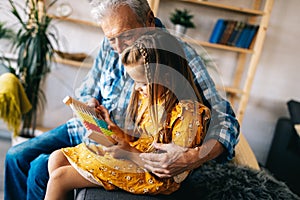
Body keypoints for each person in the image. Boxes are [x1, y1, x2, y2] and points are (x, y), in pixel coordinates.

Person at [4, 0, 240, 199]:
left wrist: (190, 157)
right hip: (99, 130)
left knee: (40, 168)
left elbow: (226, 121)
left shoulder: (178, 56)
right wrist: (89, 105)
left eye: (125, 36)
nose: (117, 48)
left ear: (148, 19)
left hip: (133, 146)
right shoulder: (112, 47)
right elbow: (88, 89)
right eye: (110, 39)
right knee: (16, 157)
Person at [44, 30, 211, 199]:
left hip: (154, 176)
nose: (137, 88)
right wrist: (112, 127)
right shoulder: (150, 99)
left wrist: (129, 153)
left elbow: (174, 172)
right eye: (135, 82)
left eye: (142, 83)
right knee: (57, 158)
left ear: (166, 78)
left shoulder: (188, 113)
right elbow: (141, 141)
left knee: (60, 179)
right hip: (136, 157)